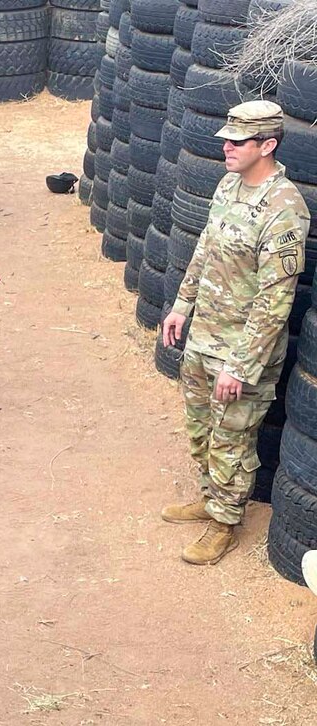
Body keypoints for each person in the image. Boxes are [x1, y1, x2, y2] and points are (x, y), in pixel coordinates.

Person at [161, 100, 311, 565]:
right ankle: (210, 499)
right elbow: (206, 249)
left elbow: (274, 302)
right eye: (226, 138)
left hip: (241, 353)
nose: (225, 146)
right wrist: (181, 306)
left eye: (236, 141)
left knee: (232, 440)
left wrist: (241, 365)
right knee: (200, 428)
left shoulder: (285, 209)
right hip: (204, 337)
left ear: (267, 145)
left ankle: (225, 522)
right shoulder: (228, 186)